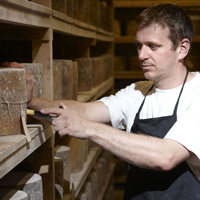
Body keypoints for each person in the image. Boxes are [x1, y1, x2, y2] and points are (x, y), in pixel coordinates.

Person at [4, 4, 200, 199]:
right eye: (138, 46)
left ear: (182, 48)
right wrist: (30, 101)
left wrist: (88, 129)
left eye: (153, 46)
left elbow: (166, 156)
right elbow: (85, 111)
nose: (141, 55)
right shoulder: (138, 92)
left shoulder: (197, 92)